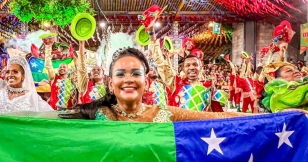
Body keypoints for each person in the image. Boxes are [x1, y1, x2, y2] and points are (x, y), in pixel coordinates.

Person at [60, 47, 248, 122]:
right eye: (120, 74)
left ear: (145, 81)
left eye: (135, 73)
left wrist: (268, 120)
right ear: (111, 83)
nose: (128, 79)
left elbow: (213, 117)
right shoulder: (98, 114)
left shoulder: (163, 113)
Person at [0, 21, 51, 113]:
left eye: (15, 71)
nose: (10, 74)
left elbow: (50, 115)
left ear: (23, 76)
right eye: (8, 71)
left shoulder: (31, 97)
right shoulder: (0, 86)